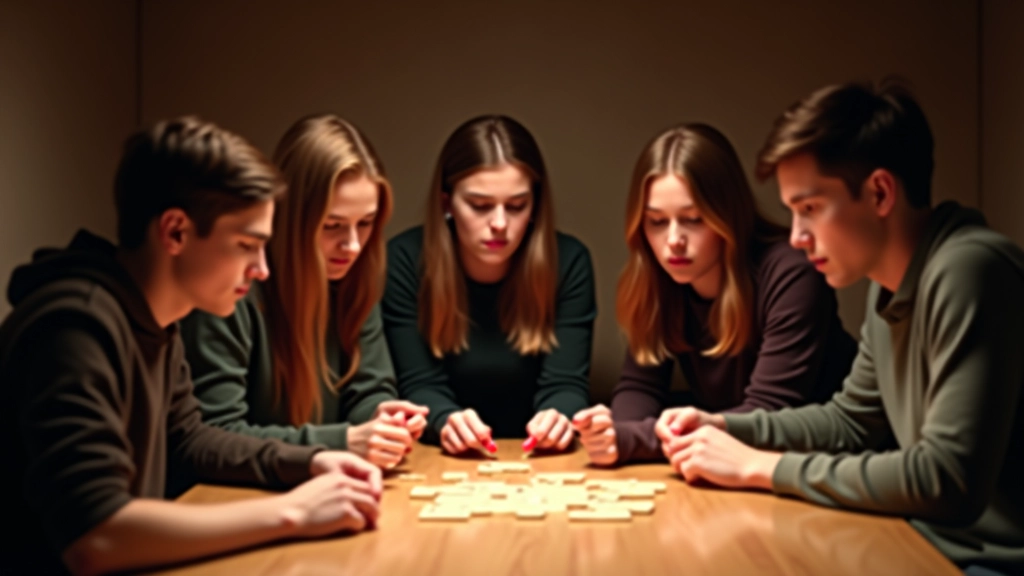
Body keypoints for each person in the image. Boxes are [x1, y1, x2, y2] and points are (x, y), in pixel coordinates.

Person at [655, 81, 1024, 574]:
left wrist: (763, 467)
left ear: (879, 192)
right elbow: (850, 422)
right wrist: (723, 425)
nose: (796, 237)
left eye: (809, 209)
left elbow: (946, 478)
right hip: (919, 541)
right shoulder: (888, 286)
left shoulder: (970, 270)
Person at [0, 117, 383, 575]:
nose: (263, 269)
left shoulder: (155, 319)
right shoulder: (75, 328)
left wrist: (315, 460)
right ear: (176, 232)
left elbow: (191, 440)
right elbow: (95, 535)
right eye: (246, 245)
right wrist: (294, 513)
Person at [574, 123, 855, 466]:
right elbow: (640, 388)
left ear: (728, 215)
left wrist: (631, 437)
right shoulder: (661, 279)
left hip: (823, 466)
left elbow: (767, 414)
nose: (673, 240)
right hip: (735, 466)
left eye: (693, 219)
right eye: (657, 222)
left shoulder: (792, 272)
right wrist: (611, 433)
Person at [181, 114, 427, 470]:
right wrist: (342, 441)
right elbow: (215, 435)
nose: (353, 245)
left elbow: (367, 389)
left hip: (324, 485)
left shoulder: (355, 280)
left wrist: (380, 419)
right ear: (289, 217)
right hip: (236, 497)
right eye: (332, 225)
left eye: (366, 223)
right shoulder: (231, 291)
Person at [383, 115, 596, 455]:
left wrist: (558, 417)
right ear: (447, 203)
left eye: (516, 206)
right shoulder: (405, 260)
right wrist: (444, 420)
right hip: (439, 458)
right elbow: (418, 383)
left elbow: (565, 383)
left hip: (540, 459)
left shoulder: (568, 262)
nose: (499, 223)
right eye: (480, 206)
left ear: (536, 205)